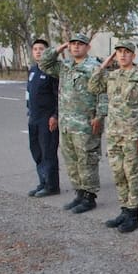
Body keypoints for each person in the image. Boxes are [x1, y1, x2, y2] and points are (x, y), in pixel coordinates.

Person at [88, 41, 138, 233]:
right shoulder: (112, 75)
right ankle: (124, 210)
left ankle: (133, 214)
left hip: (132, 135)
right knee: (118, 174)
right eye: (118, 52)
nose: (122, 55)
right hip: (113, 134)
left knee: (132, 174)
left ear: (133, 56)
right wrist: (105, 63)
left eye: (126, 52)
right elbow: (93, 86)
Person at [40, 33, 107, 214]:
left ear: (88, 47)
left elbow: (102, 92)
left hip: (86, 123)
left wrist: (100, 116)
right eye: (73, 44)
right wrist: (59, 48)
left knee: (87, 160)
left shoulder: (94, 67)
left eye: (80, 44)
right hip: (67, 123)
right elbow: (44, 64)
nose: (76, 47)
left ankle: (89, 196)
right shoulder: (65, 66)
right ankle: (79, 193)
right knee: (71, 161)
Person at [26, 38, 60, 198]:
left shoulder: (52, 71)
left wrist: (55, 115)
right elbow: (28, 93)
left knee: (48, 153)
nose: (38, 51)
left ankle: (52, 185)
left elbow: (59, 96)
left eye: (41, 49)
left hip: (48, 119)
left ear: (48, 52)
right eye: (35, 49)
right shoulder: (32, 70)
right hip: (34, 118)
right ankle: (43, 182)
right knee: (37, 152)